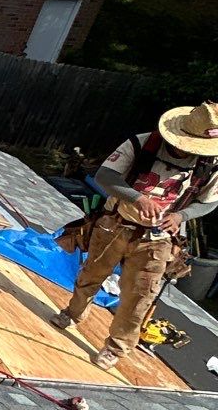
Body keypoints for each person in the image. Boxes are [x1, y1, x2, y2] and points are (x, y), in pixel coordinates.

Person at [55, 100, 218, 367]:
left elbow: (210, 201)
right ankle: (73, 313)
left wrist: (181, 215)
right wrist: (137, 198)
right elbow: (105, 176)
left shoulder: (209, 165)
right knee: (91, 274)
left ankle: (116, 347)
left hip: (158, 240)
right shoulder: (142, 144)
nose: (185, 151)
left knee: (139, 296)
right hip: (115, 224)